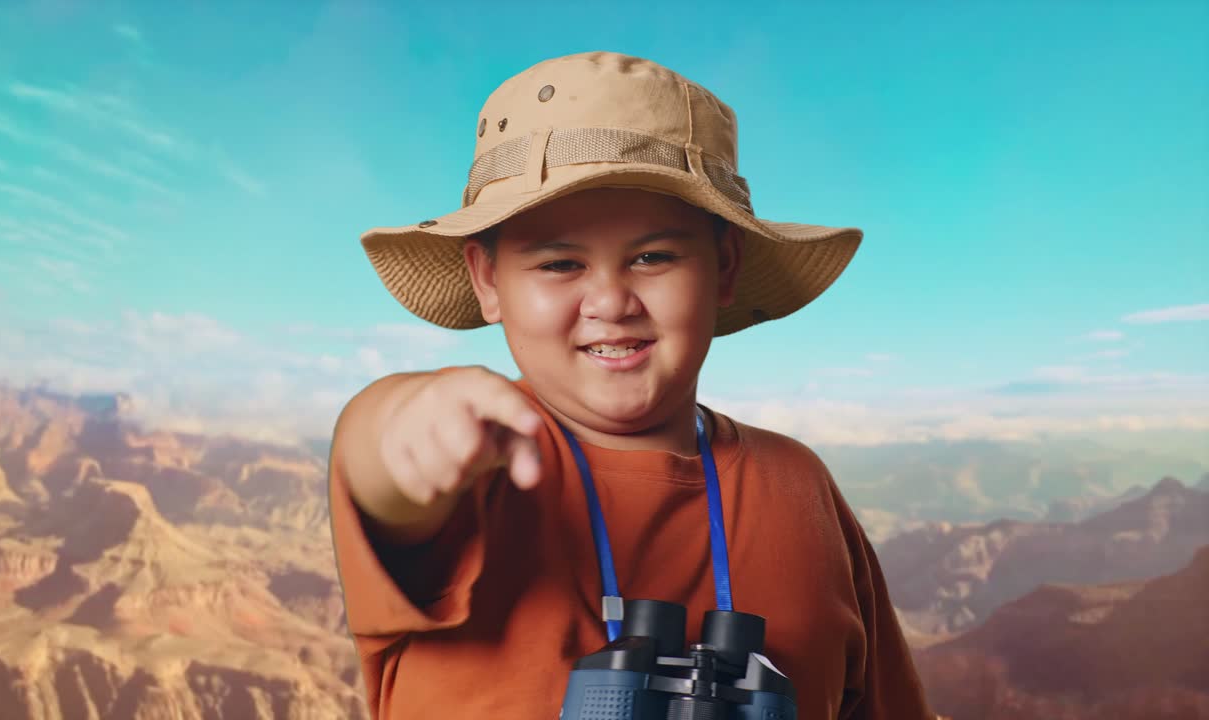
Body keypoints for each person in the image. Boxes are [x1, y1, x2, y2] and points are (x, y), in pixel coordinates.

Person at [328, 51, 933, 719]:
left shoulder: (800, 485)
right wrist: (402, 424)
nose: (611, 301)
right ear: (488, 279)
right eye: (560, 263)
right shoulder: (475, 473)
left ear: (723, 267)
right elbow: (377, 463)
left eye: (653, 257)